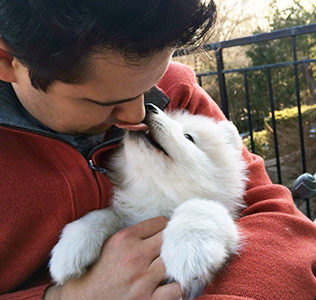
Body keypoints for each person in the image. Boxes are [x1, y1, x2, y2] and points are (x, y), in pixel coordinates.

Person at [0, 1, 315, 299]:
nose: (140, 116)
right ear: (6, 61)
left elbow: (278, 222)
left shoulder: (176, 90)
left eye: (150, 85)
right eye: (104, 103)